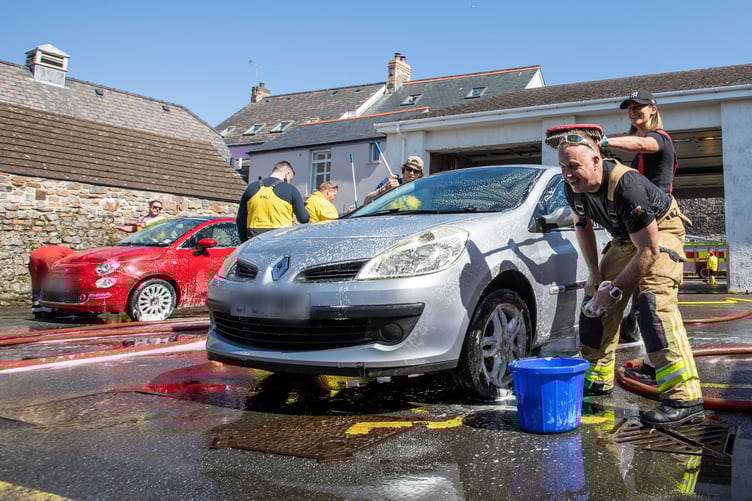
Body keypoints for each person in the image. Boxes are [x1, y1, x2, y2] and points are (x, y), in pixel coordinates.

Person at [555, 128, 703, 428]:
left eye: (574, 166)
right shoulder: (574, 188)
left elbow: (648, 251)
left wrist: (615, 291)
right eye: (563, 167)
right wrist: (596, 274)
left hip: (661, 232)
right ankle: (597, 381)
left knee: (653, 306)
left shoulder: (627, 186)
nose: (568, 174)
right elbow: (582, 226)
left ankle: (684, 399)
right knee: (592, 309)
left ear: (596, 161)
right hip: (625, 238)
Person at [602, 89, 678, 193]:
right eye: (630, 108)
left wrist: (604, 142)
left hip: (657, 205)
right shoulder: (642, 150)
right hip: (645, 204)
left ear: (653, 110)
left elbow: (641, 144)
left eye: (638, 106)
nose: (633, 110)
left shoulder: (660, 138)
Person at [236, 160, 310, 242]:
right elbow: (304, 218)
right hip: (281, 240)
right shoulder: (291, 190)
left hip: (255, 239)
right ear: (287, 174)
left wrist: (244, 242)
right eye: (290, 179)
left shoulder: (251, 188)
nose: (289, 182)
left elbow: (241, 220)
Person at [29, 244, 75, 318]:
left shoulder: (58, 248)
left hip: (35, 255)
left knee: (38, 282)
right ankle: (53, 310)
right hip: (51, 257)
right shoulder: (70, 252)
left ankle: (37, 310)